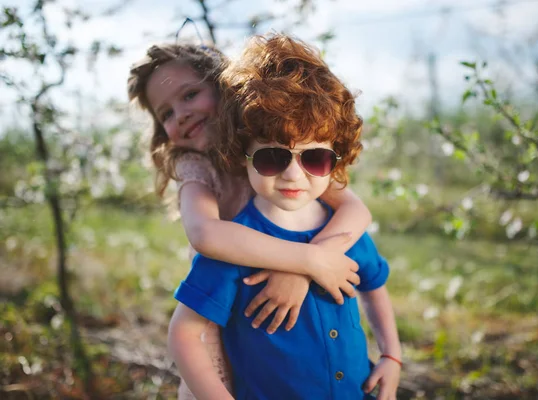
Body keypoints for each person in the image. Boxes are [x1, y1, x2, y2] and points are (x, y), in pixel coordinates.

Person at [127, 40, 374, 397]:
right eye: (165, 113)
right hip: (227, 303)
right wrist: (307, 261)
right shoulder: (194, 165)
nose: (179, 114)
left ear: (225, 87)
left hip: (281, 315)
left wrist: (304, 272)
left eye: (190, 94)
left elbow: (356, 210)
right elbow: (207, 235)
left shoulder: (271, 142)